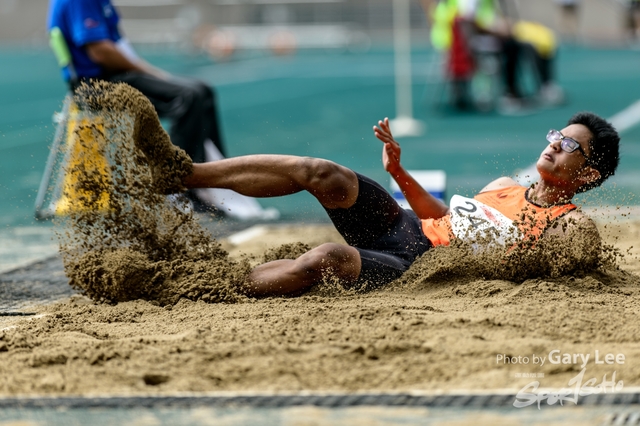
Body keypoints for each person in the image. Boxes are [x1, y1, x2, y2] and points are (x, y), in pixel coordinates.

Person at [150, 111, 618, 298]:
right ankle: (182, 174)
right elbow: (440, 216)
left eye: (570, 146)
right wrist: (398, 172)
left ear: (590, 174)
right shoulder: (503, 185)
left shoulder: (570, 226)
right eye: (556, 135)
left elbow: (563, 266)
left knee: (324, 260)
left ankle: (203, 288)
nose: (554, 144)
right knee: (324, 173)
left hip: (418, 264)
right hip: (408, 225)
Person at [46, 0, 226, 166]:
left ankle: (214, 174)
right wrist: (148, 72)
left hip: (112, 78)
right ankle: (178, 187)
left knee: (203, 91)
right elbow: (101, 52)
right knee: (187, 97)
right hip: (94, 87)